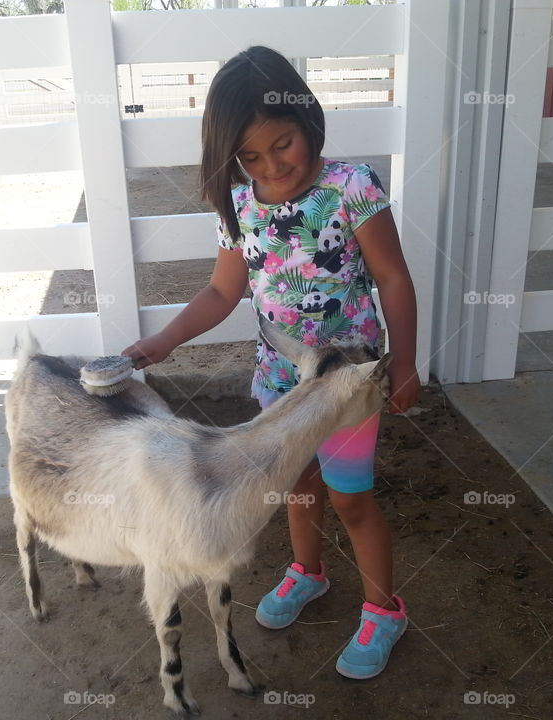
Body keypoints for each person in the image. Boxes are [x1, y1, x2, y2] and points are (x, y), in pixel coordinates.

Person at [122, 45, 419, 680]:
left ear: (307, 121)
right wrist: (164, 341)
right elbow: (222, 291)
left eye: (282, 144)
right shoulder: (239, 203)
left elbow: (393, 278)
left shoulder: (352, 189)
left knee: (352, 500)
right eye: (251, 156)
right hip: (279, 380)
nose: (271, 166)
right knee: (296, 486)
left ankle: (382, 609)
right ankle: (307, 573)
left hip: (348, 383)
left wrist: (407, 362)